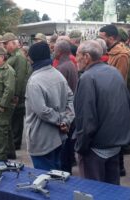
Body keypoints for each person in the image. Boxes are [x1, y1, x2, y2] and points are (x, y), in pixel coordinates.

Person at [73, 40, 130, 185]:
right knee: (112, 189)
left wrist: (81, 147)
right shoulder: (114, 72)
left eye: (77, 55)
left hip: (96, 147)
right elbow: (127, 104)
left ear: (86, 57)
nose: (76, 59)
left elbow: (86, 119)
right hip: (115, 144)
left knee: (93, 191)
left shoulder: (87, 78)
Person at [25, 41, 74, 170]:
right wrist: (65, 120)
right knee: (57, 174)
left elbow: (42, 111)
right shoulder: (58, 75)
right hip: (59, 137)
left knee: (45, 180)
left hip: (42, 139)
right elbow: (71, 98)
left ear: (32, 58)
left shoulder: (34, 81)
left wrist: (60, 120)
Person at [2, 32, 31, 150]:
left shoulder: (19, 57)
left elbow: (20, 79)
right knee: (13, 119)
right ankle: (13, 141)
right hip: (12, 93)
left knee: (16, 119)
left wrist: (16, 95)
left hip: (17, 95)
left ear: (13, 43)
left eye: (6, 44)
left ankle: (16, 143)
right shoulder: (12, 56)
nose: (4, 46)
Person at [54, 40, 78, 173]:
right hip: (71, 107)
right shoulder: (70, 64)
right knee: (69, 143)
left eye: (54, 49)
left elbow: (59, 92)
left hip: (66, 109)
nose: (53, 52)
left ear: (59, 51)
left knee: (65, 144)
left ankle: (65, 170)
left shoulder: (62, 68)